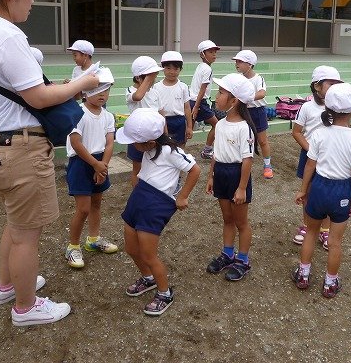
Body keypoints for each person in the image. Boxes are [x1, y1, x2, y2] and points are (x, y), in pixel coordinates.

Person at [0, 0, 99, 326]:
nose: (32, 1)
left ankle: (8, 286)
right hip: (20, 149)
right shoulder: (8, 36)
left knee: (15, 224)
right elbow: (39, 97)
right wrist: (83, 83)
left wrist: (64, 87)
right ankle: (26, 307)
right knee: (27, 234)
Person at [116, 108, 200, 316]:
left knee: (148, 254)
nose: (132, 145)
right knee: (131, 248)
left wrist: (182, 196)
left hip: (156, 204)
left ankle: (165, 292)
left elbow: (194, 169)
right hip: (140, 196)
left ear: (150, 142)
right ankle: (148, 279)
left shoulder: (171, 152)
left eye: (134, 141)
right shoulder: (148, 149)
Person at [292, 83, 351, 298]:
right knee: (335, 242)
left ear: (328, 108)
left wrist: (303, 190)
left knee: (311, 232)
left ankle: (303, 274)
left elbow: (310, 165)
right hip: (342, 191)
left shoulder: (319, 134)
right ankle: (330, 283)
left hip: (319, 187)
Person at [65, 67, 119, 269]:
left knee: (96, 204)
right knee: (83, 209)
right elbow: (76, 143)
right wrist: (96, 165)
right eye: (98, 89)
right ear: (85, 91)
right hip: (81, 163)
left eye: (106, 89)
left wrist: (103, 166)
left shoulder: (108, 116)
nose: (102, 94)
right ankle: (73, 246)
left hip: (100, 162)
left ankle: (93, 239)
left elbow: (110, 143)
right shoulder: (77, 113)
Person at [205, 73, 256, 282]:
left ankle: (243, 260)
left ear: (234, 101)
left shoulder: (244, 128)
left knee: (241, 222)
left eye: (221, 93)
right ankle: (227, 254)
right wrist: (211, 176)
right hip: (221, 174)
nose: (217, 97)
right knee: (227, 218)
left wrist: (242, 187)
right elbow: (216, 154)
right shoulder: (220, 124)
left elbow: (247, 160)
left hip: (237, 175)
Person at [291, 66, 342, 250]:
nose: (334, 88)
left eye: (337, 84)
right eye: (330, 83)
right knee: (307, 192)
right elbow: (297, 132)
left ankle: (325, 229)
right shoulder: (307, 107)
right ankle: (307, 226)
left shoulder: (338, 108)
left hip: (330, 157)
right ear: (317, 86)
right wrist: (311, 150)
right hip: (309, 156)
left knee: (326, 193)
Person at [232, 49, 273, 179]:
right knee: (242, 139)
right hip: (242, 111)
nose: (237, 64)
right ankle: (240, 163)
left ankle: (267, 165)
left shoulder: (258, 78)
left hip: (257, 112)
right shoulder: (238, 78)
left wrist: (247, 97)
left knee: (262, 140)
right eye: (236, 61)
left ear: (250, 64)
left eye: (240, 61)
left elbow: (262, 93)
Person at [126, 56, 163, 187]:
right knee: (138, 168)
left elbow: (161, 114)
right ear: (138, 78)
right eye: (151, 78)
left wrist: (165, 135)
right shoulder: (131, 91)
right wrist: (148, 78)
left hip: (155, 136)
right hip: (138, 137)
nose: (153, 81)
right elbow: (138, 96)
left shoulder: (155, 92)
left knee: (154, 166)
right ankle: (137, 193)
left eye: (154, 78)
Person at [154, 51, 193, 148]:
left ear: (180, 69)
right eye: (168, 68)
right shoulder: (156, 87)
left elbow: (187, 107)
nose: (172, 72)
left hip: (179, 121)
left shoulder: (183, 87)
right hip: (163, 121)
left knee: (180, 146)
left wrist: (189, 126)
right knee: (163, 147)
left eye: (176, 69)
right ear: (162, 68)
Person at [189, 39, 220, 159]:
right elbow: (203, 88)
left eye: (215, 52)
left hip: (193, 101)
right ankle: (207, 150)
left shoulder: (201, 66)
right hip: (199, 102)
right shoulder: (207, 69)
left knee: (188, 129)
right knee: (217, 125)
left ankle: (177, 152)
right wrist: (197, 107)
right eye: (210, 52)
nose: (214, 55)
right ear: (202, 54)